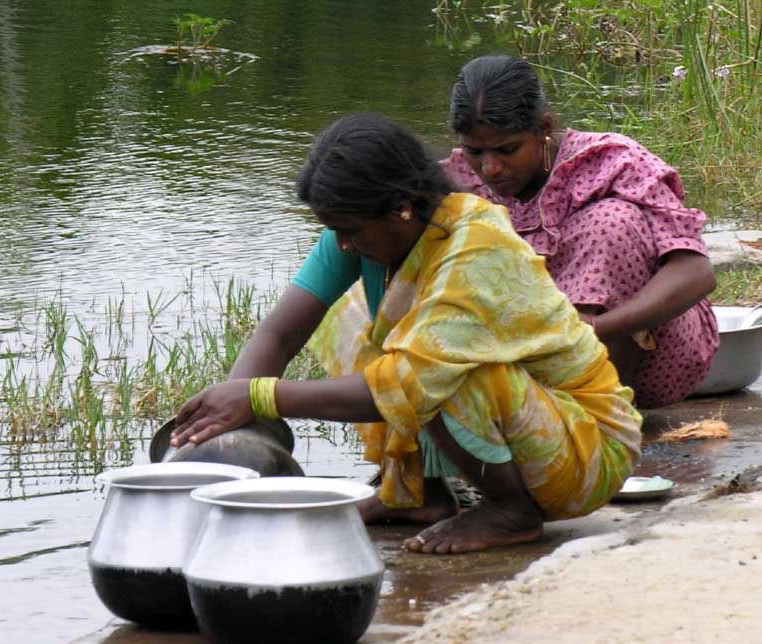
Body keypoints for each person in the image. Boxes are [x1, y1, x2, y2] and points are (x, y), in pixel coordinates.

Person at [170, 113, 643, 554]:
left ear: (401, 208)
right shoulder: (366, 226)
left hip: (586, 448)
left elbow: (402, 385)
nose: (342, 244)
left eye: (348, 231)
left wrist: (260, 397)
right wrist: (224, 421)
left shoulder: (475, 248)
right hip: (533, 426)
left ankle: (510, 511)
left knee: (444, 369)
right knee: (350, 319)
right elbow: (281, 332)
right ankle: (417, 493)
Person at [441, 53, 718, 409]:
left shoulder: (614, 162)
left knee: (610, 222)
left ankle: (603, 413)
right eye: (474, 151)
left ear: (543, 129)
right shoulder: (456, 182)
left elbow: (695, 273)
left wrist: (587, 331)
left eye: (507, 150)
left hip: (650, 356)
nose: (490, 167)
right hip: (527, 359)